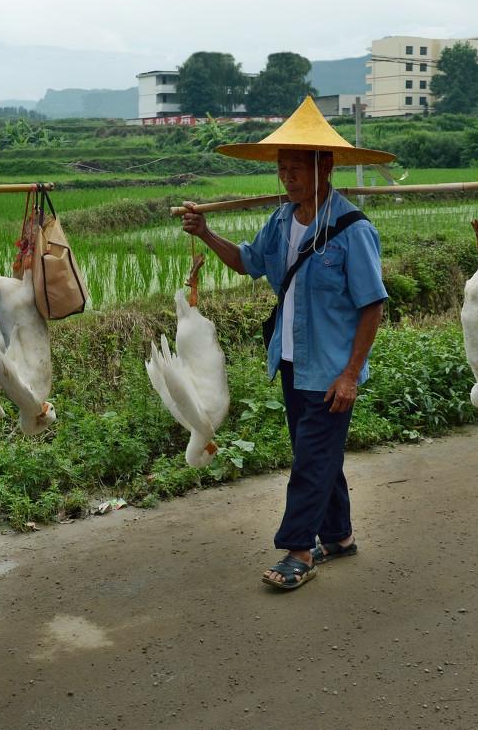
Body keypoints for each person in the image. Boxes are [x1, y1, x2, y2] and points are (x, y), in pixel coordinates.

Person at [181, 97, 391, 590]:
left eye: (297, 167)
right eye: (282, 168)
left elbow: (372, 306)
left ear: (326, 166)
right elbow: (249, 262)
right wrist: (206, 233)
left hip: (332, 368)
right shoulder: (281, 222)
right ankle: (338, 537)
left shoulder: (353, 230)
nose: (288, 177)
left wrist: (350, 375)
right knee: (316, 454)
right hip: (292, 363)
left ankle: (298, 550)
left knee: (311, 460)